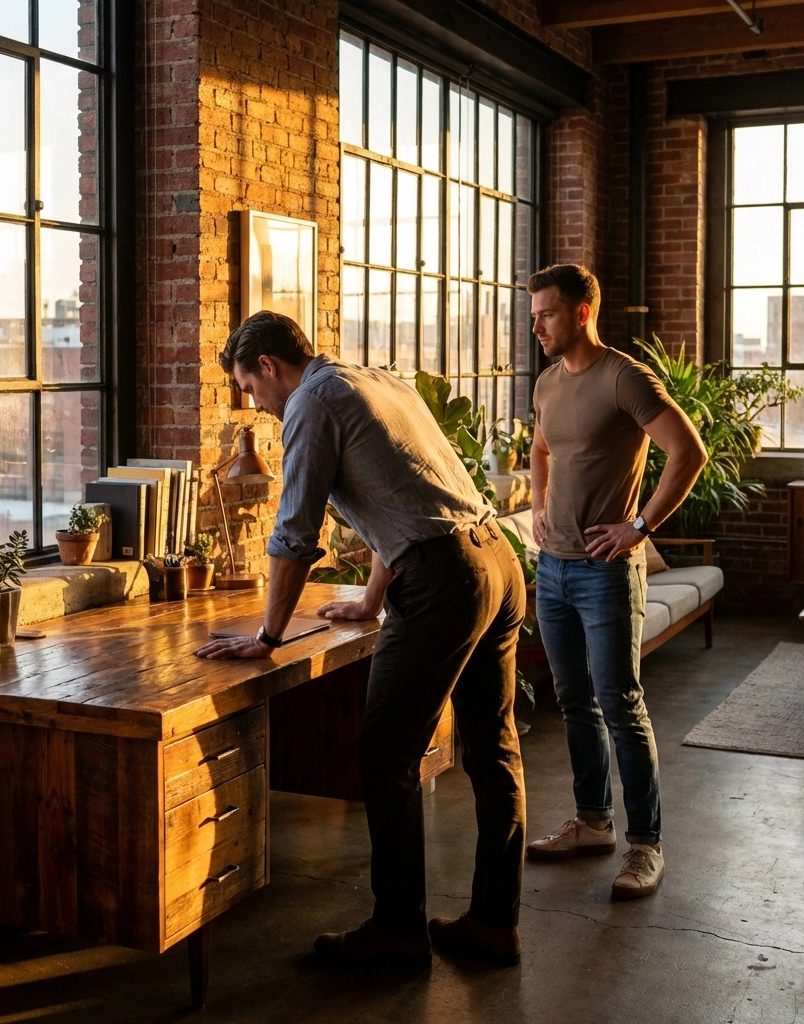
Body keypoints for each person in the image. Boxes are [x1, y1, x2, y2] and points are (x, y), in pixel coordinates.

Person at [195, 310, 526, 968]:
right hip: (497, 562)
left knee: (385, 755)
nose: (255, 406)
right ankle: (494, 924)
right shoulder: (374, 381)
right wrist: (371, 599)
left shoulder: (310, 403)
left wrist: (267, 634)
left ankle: (398, 935)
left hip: (444, 579)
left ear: (268, 365)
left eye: (249, 388)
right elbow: (408, 491)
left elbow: (295, 533)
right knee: (493, 749)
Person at [524, 264, 706, 899]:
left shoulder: (624, 376)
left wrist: (639, 526)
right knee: (574, 701)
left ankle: (645, 845)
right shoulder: (548, 383)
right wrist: (541, 506)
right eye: (534, 313)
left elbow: (687, 451)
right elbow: (542, 450)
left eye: (547, 313)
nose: (537, 325)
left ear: (580, 313)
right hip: (554, 570)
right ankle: (593, 822)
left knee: (620, 705)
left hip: (606, 573)